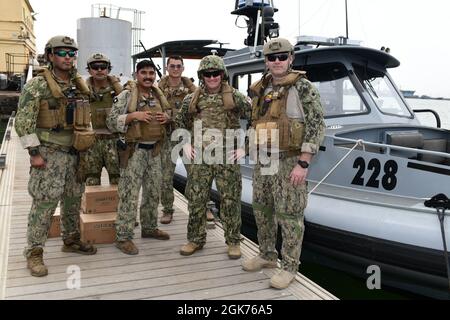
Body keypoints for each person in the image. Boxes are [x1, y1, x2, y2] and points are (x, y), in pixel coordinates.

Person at [242, 38, 325, 289]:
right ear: (266, 61)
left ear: (291, 59)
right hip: (264, 159)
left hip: (290, 160)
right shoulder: (261, 88)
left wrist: (303, 162)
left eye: (282, 57)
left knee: (289, 215)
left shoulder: (304, 88)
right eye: (271, 58)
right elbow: (255, 122)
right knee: (263, 208)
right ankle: (267, 255)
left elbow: (316, 125)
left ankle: (289, 267)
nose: (277, 62)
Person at [15, 35, 97, 277]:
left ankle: (70, 240)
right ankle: (34, 252)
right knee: (44, 204)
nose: (68, 57)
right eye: (62, 53)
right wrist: (34, 153)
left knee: (73, 200)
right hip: (49, 154)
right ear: (50, 55)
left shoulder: (79, 85)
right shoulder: (37, 85)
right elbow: (23, 122)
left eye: (72, 53)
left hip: (76, 152)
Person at [175, 55, 251, 259]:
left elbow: (256, 119)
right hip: (201, 157)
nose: (212, 78)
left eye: (216, 73)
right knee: (197, 199)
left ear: (222, 74)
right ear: (202, 76)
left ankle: (233, 241)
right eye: (207, 74)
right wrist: (186, 143)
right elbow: (179, 122)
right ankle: (195, 239)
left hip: (227, 157)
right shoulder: (192, 99)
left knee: (230, 200)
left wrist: (245, 148)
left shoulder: (236, 97)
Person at [106, 60, 171, 255]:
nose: (148, 76)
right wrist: (133, 116)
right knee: (129, 195)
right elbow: (110, 122)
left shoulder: (159, 96)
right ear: (136, 74)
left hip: (154, 152)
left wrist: (167, 119)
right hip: (134, 153)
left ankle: (149, 228)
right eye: (144, 73)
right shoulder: (126, 96)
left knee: (152, 192)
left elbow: (169, 117)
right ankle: (123, 237)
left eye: (152, 73)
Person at [157, 55, 196, 224]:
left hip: (186, 136)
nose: (175, 69)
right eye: (172, 66)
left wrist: (171, 117)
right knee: (166, 176)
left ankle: (202, 206)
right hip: (167, 137)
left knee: (196, 173)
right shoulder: (157, 89)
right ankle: (167, 209)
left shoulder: (192, 90)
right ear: (167, 68)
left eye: (178, 66)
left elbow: (196, 111)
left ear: (183, 68)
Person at [85, 53, 123, 185]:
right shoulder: (83, 90)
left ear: (108, 69)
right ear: (89, 70)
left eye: (103, 66)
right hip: (91, 142)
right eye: (95, 67)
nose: (99, 70)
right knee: (90, 180)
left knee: (118, 180)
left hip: (114, 140)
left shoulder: (119, 91)